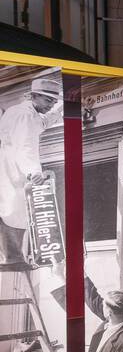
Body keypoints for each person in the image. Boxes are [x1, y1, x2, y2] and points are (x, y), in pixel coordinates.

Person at [0, 77, 60, 264]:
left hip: (12, 166)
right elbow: (25, 145)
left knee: (14, 211)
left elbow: (41, 124)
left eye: (54, 101)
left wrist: (60, 111)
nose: (51, 105)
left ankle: (14, 256)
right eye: (48, 100)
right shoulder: (24, 115)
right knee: (13, 211)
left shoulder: (26, 112)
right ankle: (12, 258)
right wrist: (33, 171)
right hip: (15, 168)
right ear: (34, 96)